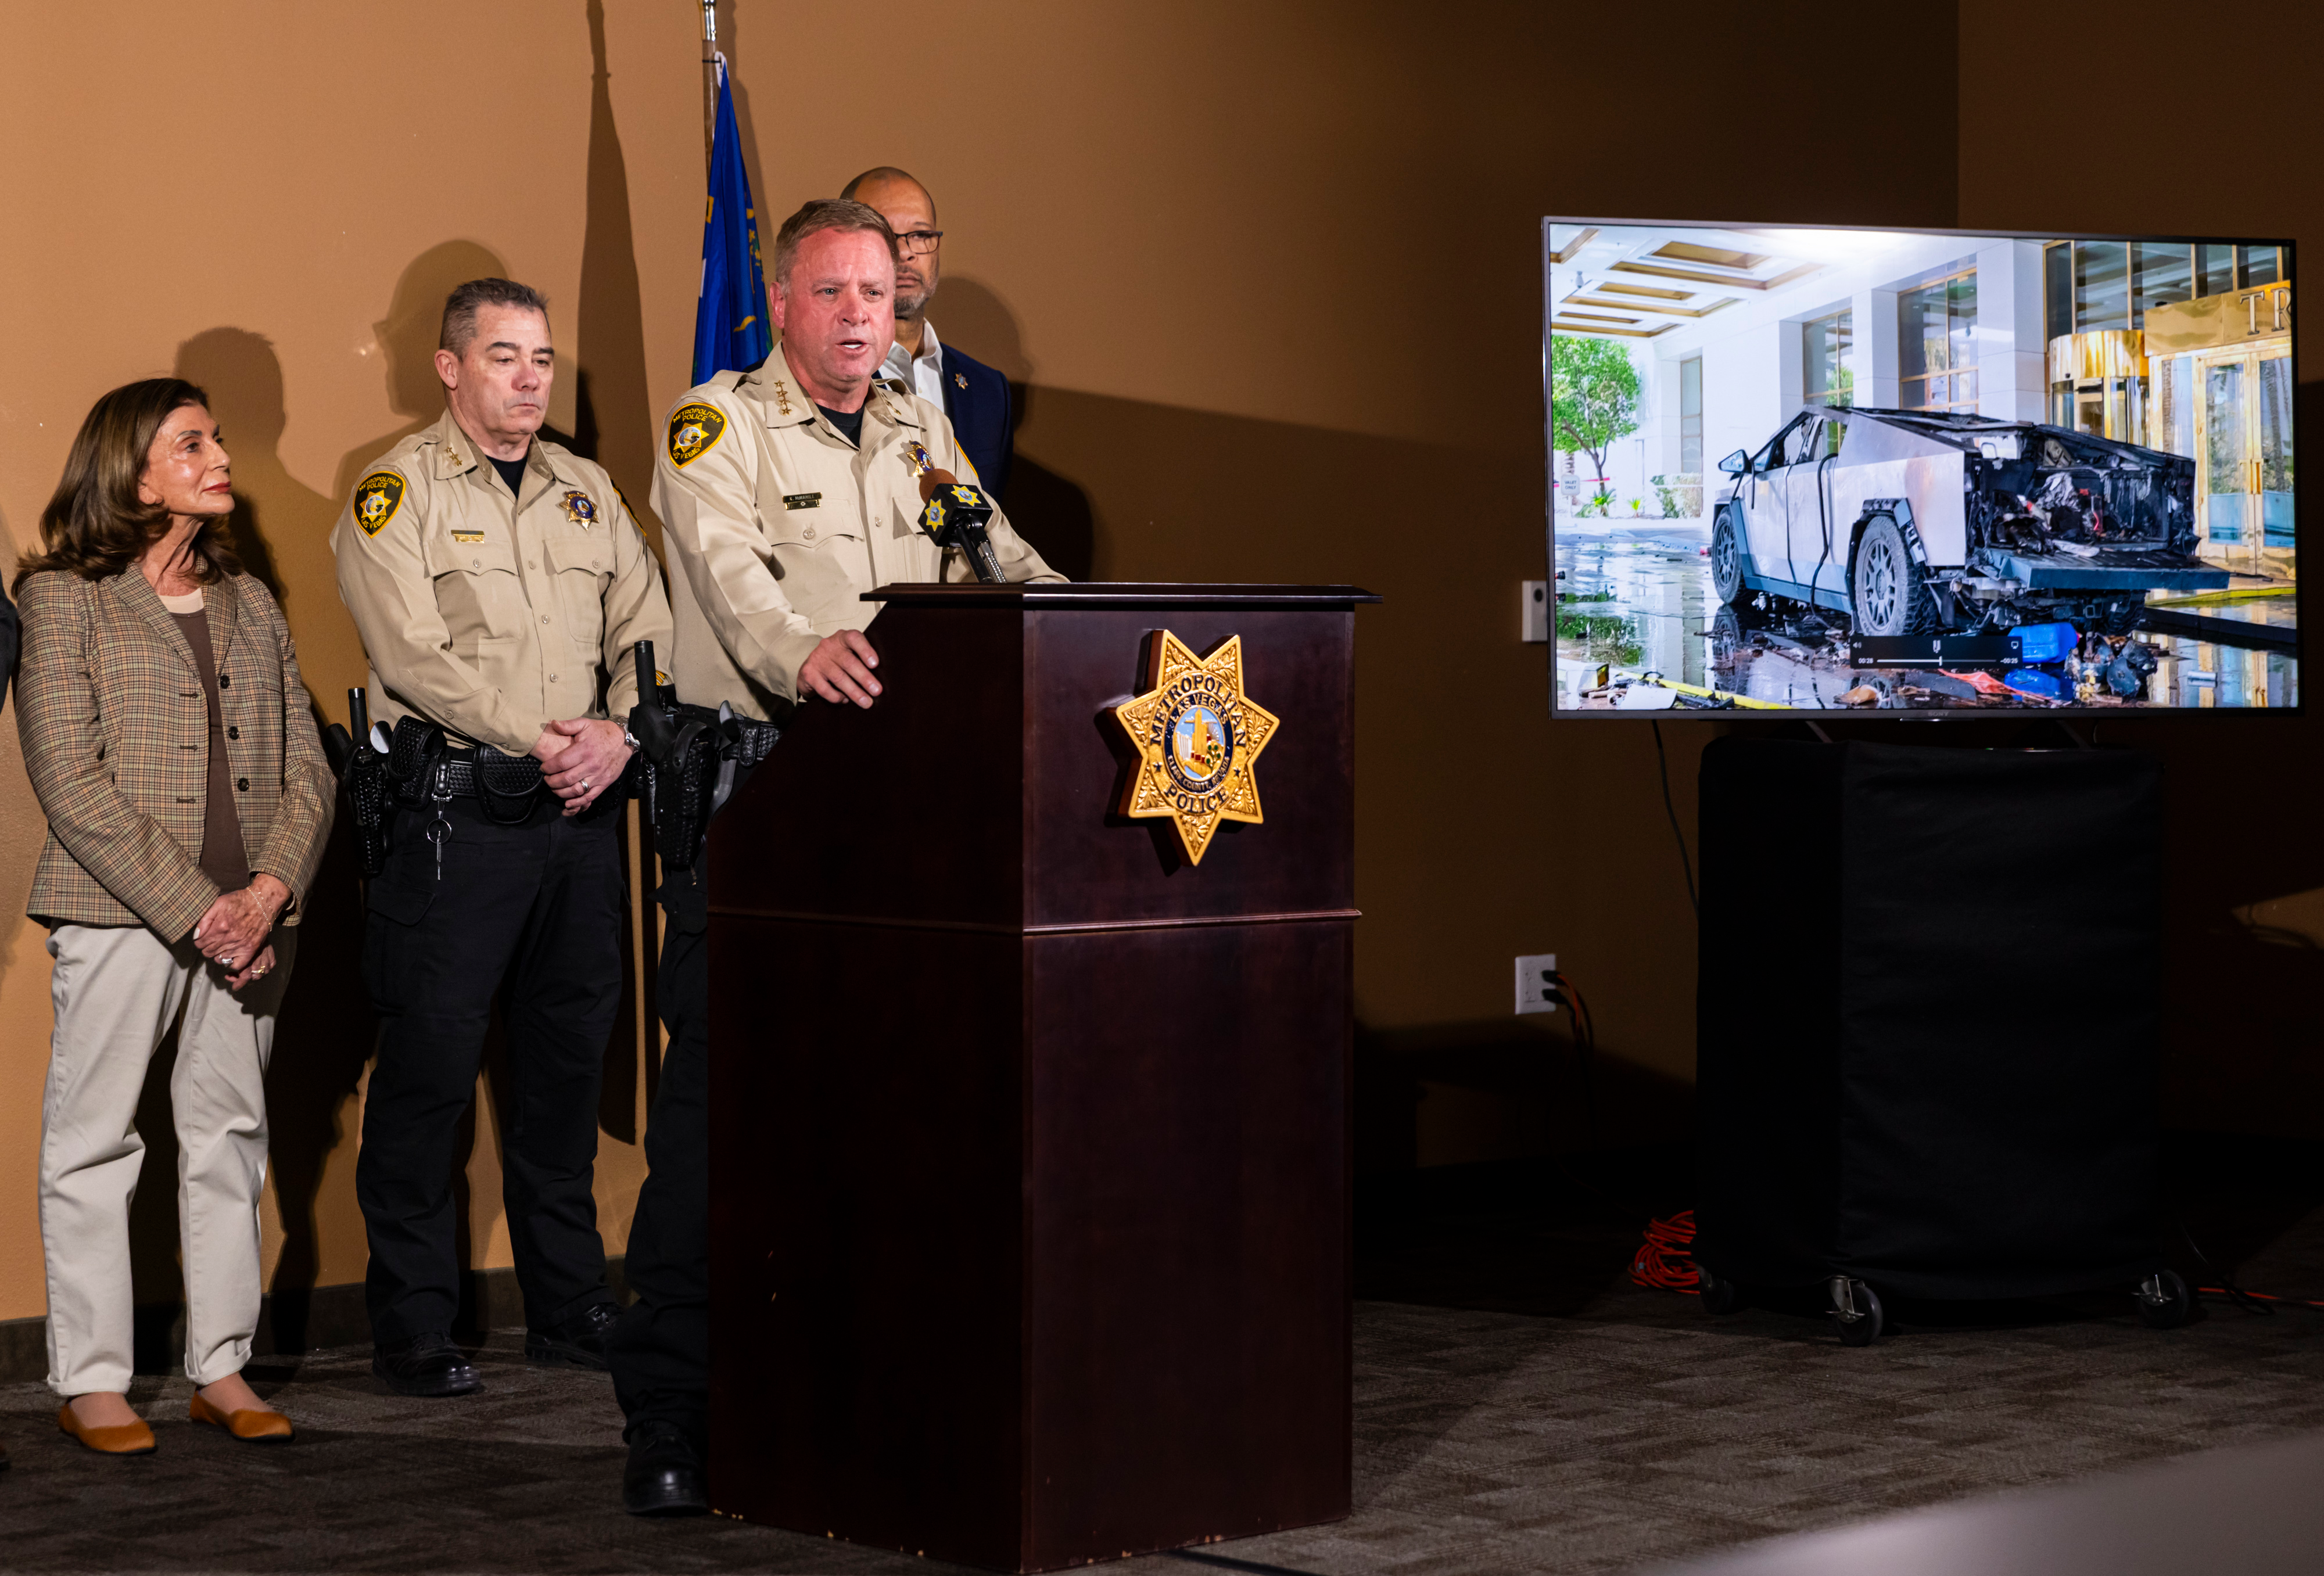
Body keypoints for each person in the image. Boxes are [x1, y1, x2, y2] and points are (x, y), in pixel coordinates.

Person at [611, 197, 1062, 1515]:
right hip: (759, 801)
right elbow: (730, 571)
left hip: (912, 817)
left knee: (891, 1113)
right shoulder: (720, 427)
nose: (866, 312)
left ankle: (858, 1391)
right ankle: (672, 1413)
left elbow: (1006, 562)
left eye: (881, 291)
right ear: (784, 303)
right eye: (836, 292)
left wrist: (1104, 641)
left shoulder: (924, 430)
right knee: (719, 1121)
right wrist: (804, 645)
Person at [332, 279, 673, 1399]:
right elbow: (413, 657)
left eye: (541, 359)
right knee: (429, 1077)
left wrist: (618, 736)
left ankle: (572, 1302)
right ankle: (417, 1323)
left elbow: (646, 628)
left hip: (579, 821)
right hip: (458, 820)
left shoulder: (587, 489)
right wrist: (545, 736)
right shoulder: (397, 493)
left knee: (564, 1075)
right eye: (504, 357)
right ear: (449, 367)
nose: (531, 378)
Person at [15, 379, 334, 1455]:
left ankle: (222, 1367)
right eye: (191, 441)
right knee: (94, 1141)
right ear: (131, 471)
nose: (219, 454)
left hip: (255, 920)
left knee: (229, 1138)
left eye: (218, 435)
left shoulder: (250, 599)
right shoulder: (60, 598)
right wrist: (206, 912)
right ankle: (92, 1378)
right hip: (121, 916)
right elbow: (69, 778)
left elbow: (309, 771)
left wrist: (269, 894)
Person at [840, 166, 1015, 501]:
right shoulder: (818, 378)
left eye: (920, 235)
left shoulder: (990, 392)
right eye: (886, 235)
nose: (906, 252)